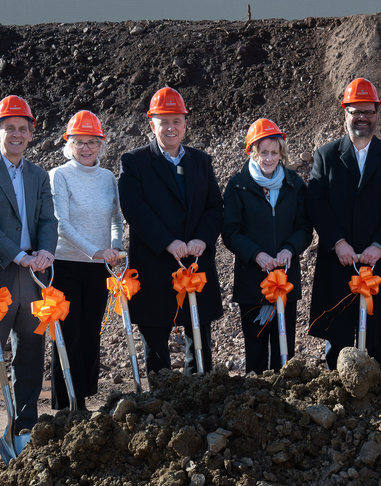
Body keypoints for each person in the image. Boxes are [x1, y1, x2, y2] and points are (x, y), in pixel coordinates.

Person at [0, 95, 59, 451]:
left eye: (23, 129)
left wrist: (46, 251)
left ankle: (25, 423)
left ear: (32, 134)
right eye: (9, 128)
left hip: (33, 276)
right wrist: (18, 255)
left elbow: (49, 219)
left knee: (32, 349)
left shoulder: (38, 174)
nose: (16, 134)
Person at [305, 77, 381, 369]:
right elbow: (317, 202)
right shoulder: (326, 156)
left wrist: (380, 245)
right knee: (337, 332)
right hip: (338, 259)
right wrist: (337, 242)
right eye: (356, 111)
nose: (362, 118)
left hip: (377, 261)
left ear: (377, 113)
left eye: (368, 111)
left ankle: (380, 395)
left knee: (378, 336)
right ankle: (335, 388)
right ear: (345, 113)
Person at [118, 86, 224, 373]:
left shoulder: (201, 161)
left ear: (185, 123)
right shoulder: (134, 162)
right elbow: (134, 209)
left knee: (199, 337)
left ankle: (201, 394)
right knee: (155, 340)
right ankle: (160, 404)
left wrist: (202, 238)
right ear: (152, 124)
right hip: (154, 262)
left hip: (195, 261)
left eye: (177, 120)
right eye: (164, 121)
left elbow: (215, 206)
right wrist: (168, 241)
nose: (171, 127)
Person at [222, 118, 313, 373]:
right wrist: (257, 255)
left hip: (285, 278)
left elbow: (305, 228)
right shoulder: (237, 186)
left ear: (281, 153)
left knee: (285, 346)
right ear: (252, 152)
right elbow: (230, 231)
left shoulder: (294, 185)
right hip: (253, 281)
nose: (270, 158)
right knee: (256, 346)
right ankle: (257, 398)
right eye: (264, 152)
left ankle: (286, 399)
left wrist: (289, 249)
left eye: (275, 152)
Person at [49, 110, 123, 410]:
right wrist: (94, 250)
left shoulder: (108, 178)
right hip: (65, 264)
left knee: (91, 331)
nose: (86, 148)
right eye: (79, 142)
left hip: (100, 267)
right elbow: (60, 223)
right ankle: (66, 402)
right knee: (68, 332)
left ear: (101, 144)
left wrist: (115, 246)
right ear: (69, 144)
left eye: (92, 142)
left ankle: (84, 397)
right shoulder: (59, 175)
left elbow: (117, 218)